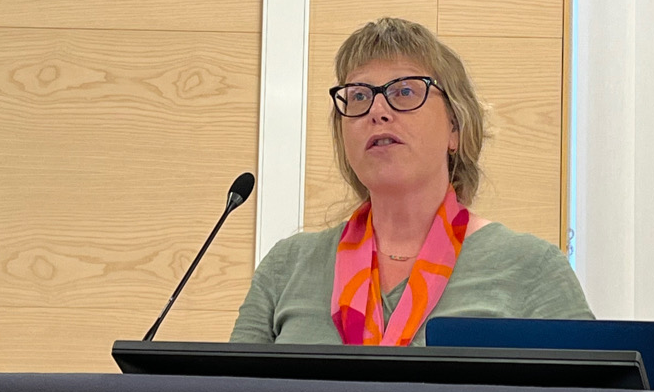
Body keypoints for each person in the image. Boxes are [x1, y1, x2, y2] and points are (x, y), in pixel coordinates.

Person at [230, 17, 593, 344]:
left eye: (404, 91)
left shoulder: (531, 267)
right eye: (359, 96)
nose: (377, 111)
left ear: (455, 127)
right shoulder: (287, 266)